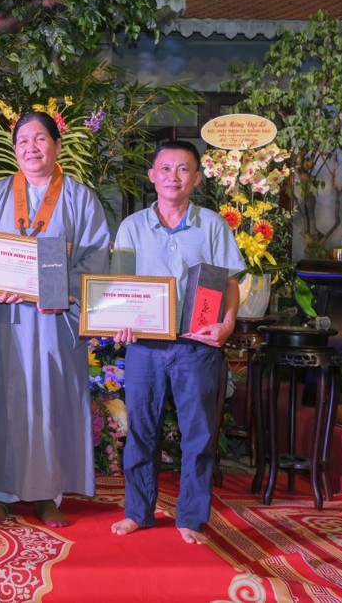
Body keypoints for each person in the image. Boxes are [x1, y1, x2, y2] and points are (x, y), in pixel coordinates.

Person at [0, 111, 110, 527]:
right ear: (14, 150)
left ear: (57, 146)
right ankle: (3, 494)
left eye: (40, 139)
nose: (32, 148)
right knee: (3, 402)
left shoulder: (81, 200)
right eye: (23, 141)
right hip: (3, 320)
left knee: (51, 404)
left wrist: (64, 292)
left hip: (53, 323)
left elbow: (95, 258)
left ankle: (49, 495)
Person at [109, 139, 245, 545]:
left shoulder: (213, 226)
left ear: (197, 178)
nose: (174, 176)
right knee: (141, 432)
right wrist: (120, 322)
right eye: (165, 168)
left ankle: (191, 518)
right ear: (152, 176)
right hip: (145, 348)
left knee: (199, 435)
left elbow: (231, 282)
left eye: (183, 169)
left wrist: (227, 324)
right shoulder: (132, 227)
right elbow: (120, 286)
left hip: (197, 347)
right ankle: (138, 513)